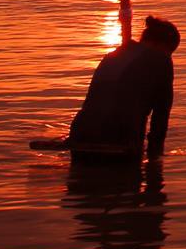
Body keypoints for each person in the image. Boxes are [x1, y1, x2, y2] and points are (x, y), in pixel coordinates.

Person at [68, 16, 179, 165]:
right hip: (121, 140)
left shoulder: (112, 55)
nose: (169, 57)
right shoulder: (162, 60)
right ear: (162, 45)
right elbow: (160, 117)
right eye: (170, 52)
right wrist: (155, 161)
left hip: (80, 134)